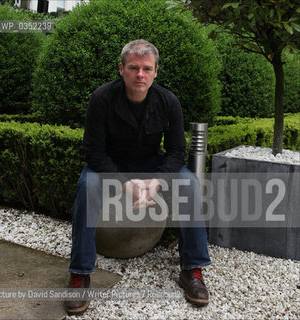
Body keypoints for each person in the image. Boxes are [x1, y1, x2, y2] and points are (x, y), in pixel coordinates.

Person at [64, 39, 211, 315]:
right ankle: (80, 273)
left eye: (146, 68)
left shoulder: (169, 102)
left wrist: (156, 182)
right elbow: (92, 151)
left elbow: (177, 151)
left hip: (152, 166)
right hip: (109, 165)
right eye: (133, 68)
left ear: (156, 71)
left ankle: (192, 269)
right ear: (121, 69)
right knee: (87, 185)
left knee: (189, 183)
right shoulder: (101, 99)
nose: (139, 74)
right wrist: (124, 183)